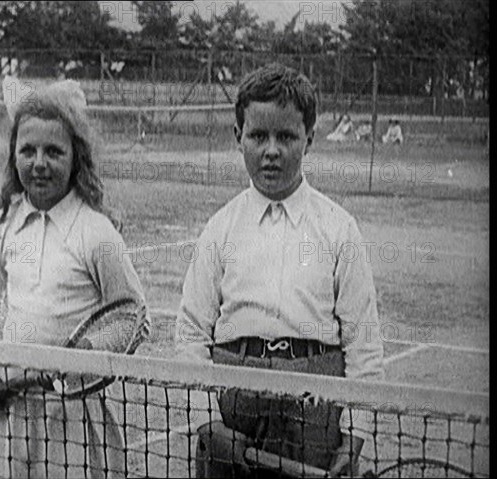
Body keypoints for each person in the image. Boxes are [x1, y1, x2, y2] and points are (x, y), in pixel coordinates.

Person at [176, 63, 384, 478]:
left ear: (309, 138)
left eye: (286, 136)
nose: (271, 150)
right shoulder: (220, 228)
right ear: (239, 138)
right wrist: (208, 421)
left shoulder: (339, 228)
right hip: (232, 407)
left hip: (315, 407)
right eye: (258, 136)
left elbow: (364, 343)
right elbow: (190, 334)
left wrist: (356, 435)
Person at [0, 78, 150, 478]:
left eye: (54, 151)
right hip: (9, 415)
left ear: (76, 157)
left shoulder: (96, 232)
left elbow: (134, 317)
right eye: (27, 150)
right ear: (13, 154)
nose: (39, 163)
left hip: (72, 420)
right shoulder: (3, 225)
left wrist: (79, 357)